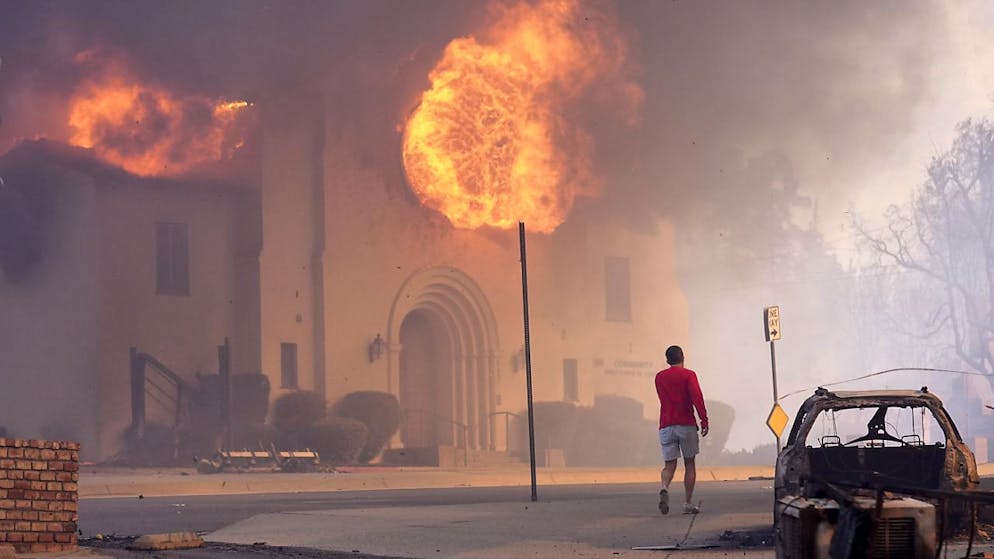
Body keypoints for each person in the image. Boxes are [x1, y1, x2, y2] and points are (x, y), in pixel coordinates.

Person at [655, 345, 708, 515]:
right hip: (686, 424)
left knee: (669, 465)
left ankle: (664, 487)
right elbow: (697, 398)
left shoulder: (659, 377)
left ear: (667, 360)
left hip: (666, 425)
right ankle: (687, 503)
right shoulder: (688, 375)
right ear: (682, 358)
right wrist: (704, 420)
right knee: (689, 464)